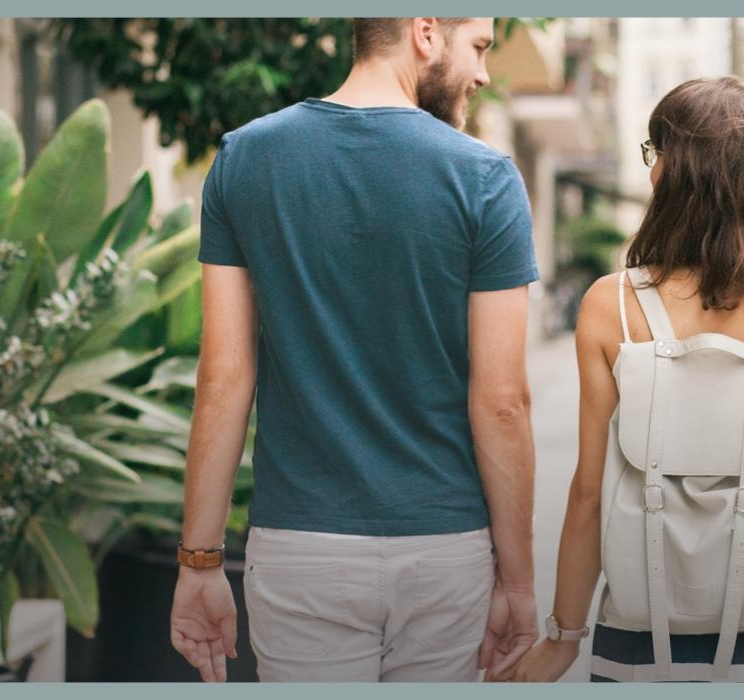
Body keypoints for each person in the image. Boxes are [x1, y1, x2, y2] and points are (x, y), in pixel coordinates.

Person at [169, 17, 541, 682]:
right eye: (479, 46)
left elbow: (223, 379)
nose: (483, 74)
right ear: (426, 31)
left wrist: (200, 564)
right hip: (444, 547)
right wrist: (517, 581)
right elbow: (503, 403)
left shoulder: (245, 159)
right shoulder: (485, 177)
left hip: (300, 548)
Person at [502, 76, 744, 683]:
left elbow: (588, 498)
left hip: (639, 632)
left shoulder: (612, 306)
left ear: (679, 174)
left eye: (654, 153)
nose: (650, 170)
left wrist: (563, 637)